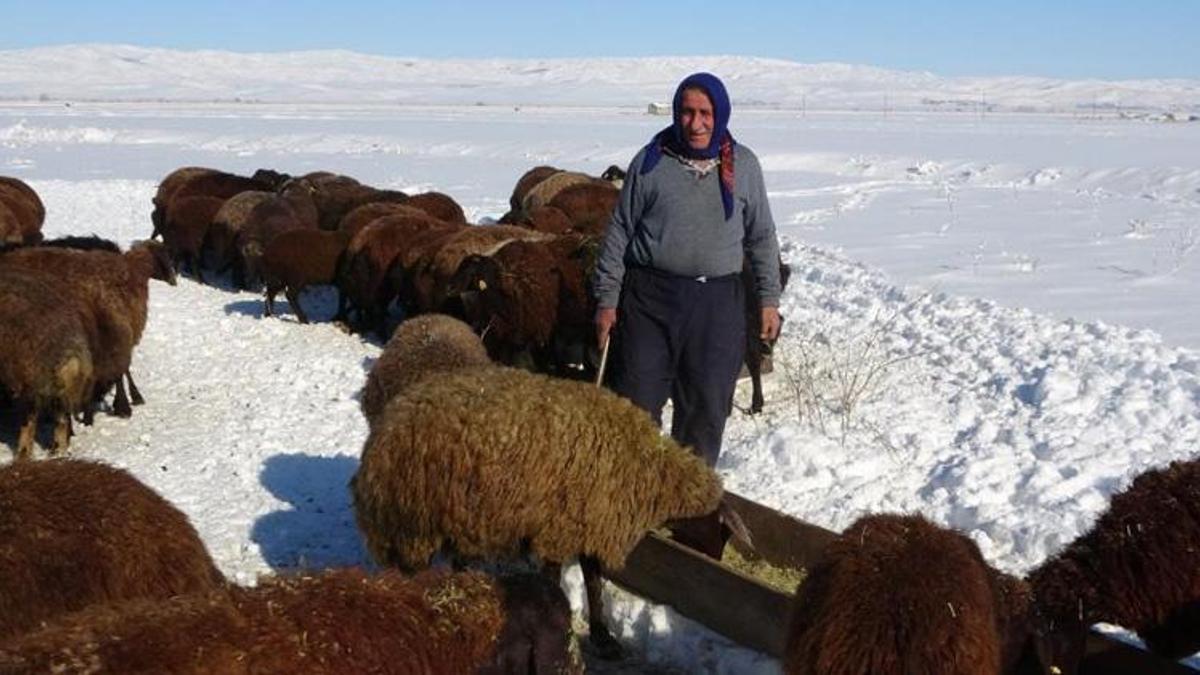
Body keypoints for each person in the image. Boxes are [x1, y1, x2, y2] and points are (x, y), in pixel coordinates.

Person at [592, 72, 782, 556]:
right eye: (686, 112)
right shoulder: (651, 162)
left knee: (704, 410)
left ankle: (687, 519)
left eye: (705, 114)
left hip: (718, 303)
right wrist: (607, 300)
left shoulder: (743, 165)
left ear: (719, 115)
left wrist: (767, 299)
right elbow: (618, 235)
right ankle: (630, 510)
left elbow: (760, 238)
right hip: (650, 300)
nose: (695, 123)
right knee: (636, 406)